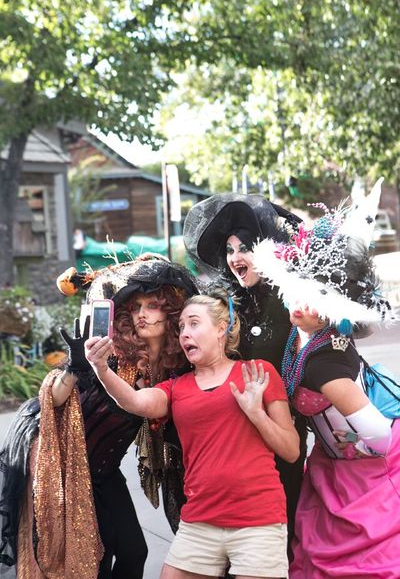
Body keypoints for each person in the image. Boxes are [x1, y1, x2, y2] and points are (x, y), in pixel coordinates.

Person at [0, 254, 198, 579]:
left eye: (152, 306)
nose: (142, 315)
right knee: (90, 561)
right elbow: (54, 399)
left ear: (171, 311)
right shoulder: (112, 355)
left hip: (104, 471)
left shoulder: (172, 369)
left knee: (134, 552)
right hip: (61, 464)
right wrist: (74, 367)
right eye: (136, 307)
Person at [86, 292, 300, 579]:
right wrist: (100, 368)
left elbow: (291, 450)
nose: (185, 333)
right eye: (182, 327)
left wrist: (256, 413)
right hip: (199, 521)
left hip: (258, 521)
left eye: (194, 323)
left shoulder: (257, 373)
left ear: (221, 329)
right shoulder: (177, 387)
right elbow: (135, 402)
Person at [252, 188, 400, 578]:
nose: (300, 303)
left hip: (368, 472)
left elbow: (381, 438)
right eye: (296, 291)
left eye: (315, 296)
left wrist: (348, 448)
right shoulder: (303, 335)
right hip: (331, 467)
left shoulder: (327, 369)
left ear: (335, 306)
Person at [183, 193, 306, 550]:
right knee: (234, 533)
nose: (236, 257)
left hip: (282, 427)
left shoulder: (292, 299)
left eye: (245, 248)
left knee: (280, 530)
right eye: (229, 250)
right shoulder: (223, 305)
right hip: (234, 435)